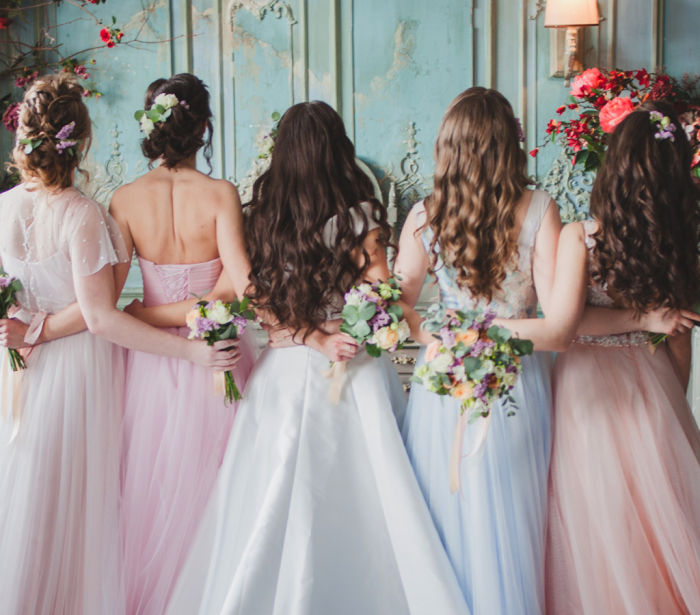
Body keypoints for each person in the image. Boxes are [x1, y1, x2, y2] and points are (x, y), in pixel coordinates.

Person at [163, 101, 470, 615]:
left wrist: (310, 335)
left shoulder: (262, 218)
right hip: (353, 367)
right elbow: (382, 291)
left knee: (270, 500)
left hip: (283, 371)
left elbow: (259, 302)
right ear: (338, 148)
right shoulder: (365, 214)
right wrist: (339, 331)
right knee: (370, 499)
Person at [0, 74, 238, 615]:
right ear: (80, 141)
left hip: (31, 365)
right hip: (89, 365)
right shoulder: (84, 213)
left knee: (37, 488)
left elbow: (96, 305)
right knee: (84, 498)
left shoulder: (23, 207)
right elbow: (101, 314)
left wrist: (23, 328)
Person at [499, 100, 700, 615]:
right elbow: (680, 336)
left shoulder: (581, 237)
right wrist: (672, 396)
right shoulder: (682, 243)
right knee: (658, 520)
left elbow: (568, 323)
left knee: (596, 518)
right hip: (652, 379)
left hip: (587, 384)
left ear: (612, 166)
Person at [394, 87, 560, 615]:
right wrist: (470, 340)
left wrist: (440, 342)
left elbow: (401, 307)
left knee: (455, 510)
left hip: (445, 380)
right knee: (510, 517)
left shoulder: (426, 213)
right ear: (508, 141)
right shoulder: (541, 209)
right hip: (513, 378)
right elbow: (554, 328)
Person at [108, 73, 257, 615]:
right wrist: (197, 308)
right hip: (215, 354)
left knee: (151, 496)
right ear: (203, 128)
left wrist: (148, 312)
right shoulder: (220, 194)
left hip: (148, 357)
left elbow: (109, 301)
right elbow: (238, 288)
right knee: (221, 487)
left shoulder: (123, 200)